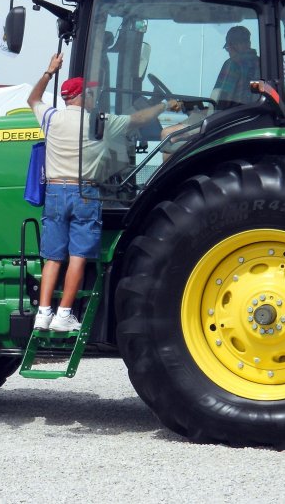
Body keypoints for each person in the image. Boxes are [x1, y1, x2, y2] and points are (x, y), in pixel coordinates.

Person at [27, 53, 179, 331]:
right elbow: (138, 118)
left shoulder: (50, 117)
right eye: (90, 94)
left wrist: (49, 71)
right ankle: (64, 315)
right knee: (77, 256)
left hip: (55, 191)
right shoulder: (100, 122)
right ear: (82, 96)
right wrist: (164, 105)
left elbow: (33, 99)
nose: (93, 98)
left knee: (53, 257)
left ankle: (43, 313)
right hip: (84, 192)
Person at [160, 25, 260, 154]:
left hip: (226, 121)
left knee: (167, 135)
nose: (228, 52)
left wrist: (199, 111)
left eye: (228, 48)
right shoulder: (261, 63)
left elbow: (222, 102)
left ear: (234, 45)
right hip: (246, 118)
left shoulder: (233, 64)